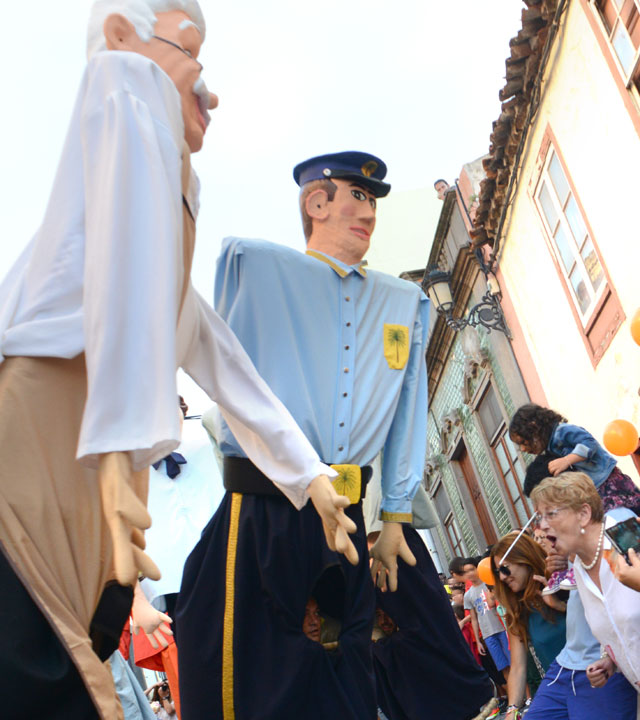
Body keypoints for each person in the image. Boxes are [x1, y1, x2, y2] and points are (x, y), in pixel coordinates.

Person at [0, 3, 358, 717]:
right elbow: (126, 277)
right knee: (47, 667)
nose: (209, 90)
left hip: (83, 474)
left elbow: (220, 358)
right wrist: (118, 443)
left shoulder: (160, 225)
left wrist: (308, 473)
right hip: (42, 439)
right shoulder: (121, 84)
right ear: (123, 37)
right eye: (191, 51)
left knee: (61, 666)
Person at [177, 151, 431, 719]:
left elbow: (407, 409)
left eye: (373, 201)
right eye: (357, 196)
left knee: (348, 676)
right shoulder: (256, 265)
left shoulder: (404, 303)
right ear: (317, 203)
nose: (368, 212)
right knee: (255, 675)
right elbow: (229, 377)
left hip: (348, 514)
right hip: (268, 505)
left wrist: (394, 515)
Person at [532, 472, 640, 712]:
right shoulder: (581, 568)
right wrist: (610, 660)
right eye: (541, 517)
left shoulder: (625, 538)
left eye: (551, 514)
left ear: (583, 514)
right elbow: (622, 625)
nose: (543, 525)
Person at [510, 403, 640, 593]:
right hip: (597, 488)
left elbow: (590, 443)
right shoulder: (552, 448)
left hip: (608, 481)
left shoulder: (562, 432)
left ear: (534, 427)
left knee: (617, 523)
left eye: (524, 442)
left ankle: (631, 558)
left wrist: (567, 460)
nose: (523, 449)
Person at [489, 532, 567, 719]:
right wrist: (512, 710)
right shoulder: (518, 611)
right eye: (498, 572)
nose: (502, 578)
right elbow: (517, 667)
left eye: (505, 568)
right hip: (558, 689)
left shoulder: (563, 581)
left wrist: (560, 605)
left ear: (524, 558)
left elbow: (599, 621)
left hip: (595, 677)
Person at [463, 558, 511, 684]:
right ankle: (518, 699)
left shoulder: (489, 584)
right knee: (503, 667)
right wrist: (478, 641)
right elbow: (474, 619)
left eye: (472, 569)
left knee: (513, 662)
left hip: (502, 628)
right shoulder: (468, 595)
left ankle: (528, 695)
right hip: (487, 634)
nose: (470, 574)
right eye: (466, 572)